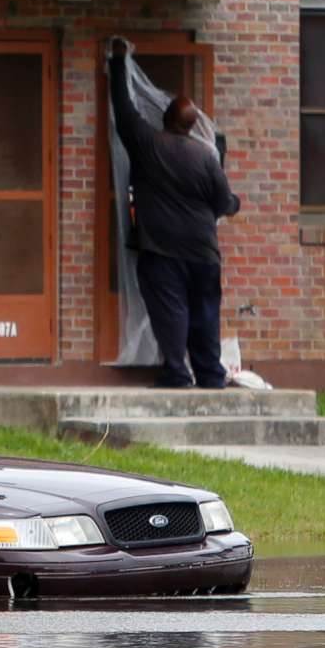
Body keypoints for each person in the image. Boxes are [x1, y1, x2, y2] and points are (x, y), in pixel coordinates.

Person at [108, 37, 240, 389]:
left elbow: (123, 111)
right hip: (203, 252)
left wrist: (118, 63)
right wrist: (232, 203)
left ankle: (177, 374)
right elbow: (225, 203)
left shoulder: (149, 144)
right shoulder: (206, 158)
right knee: (206, 314)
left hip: (163, 250)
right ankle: (211, 374)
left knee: (172, 311)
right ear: (193, 125)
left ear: (164, 119)